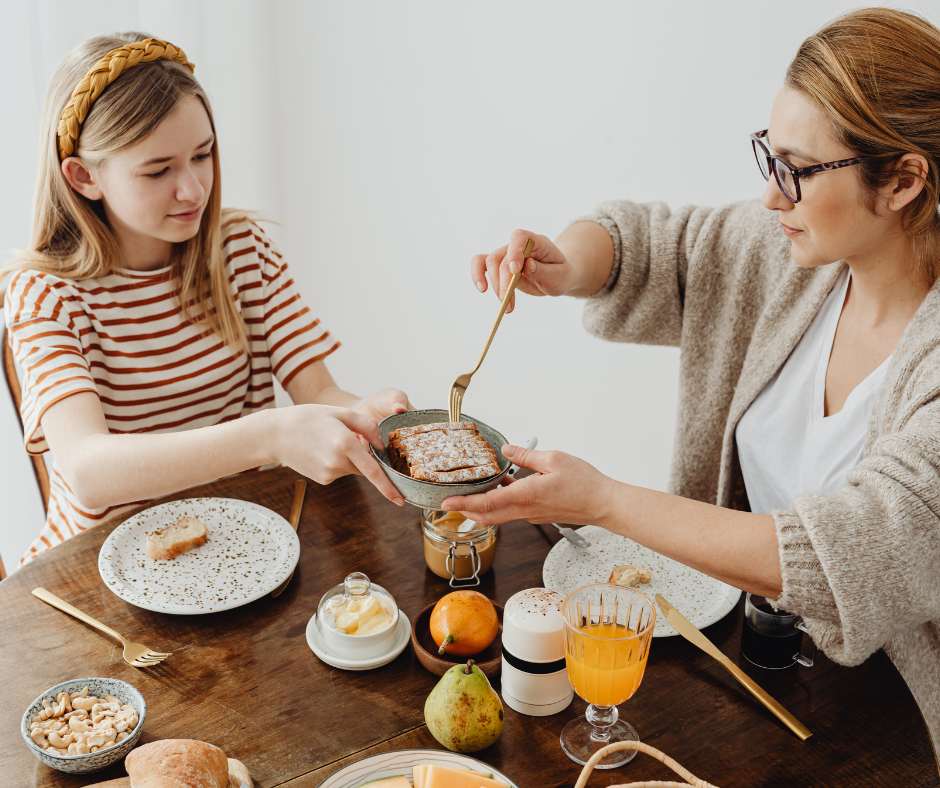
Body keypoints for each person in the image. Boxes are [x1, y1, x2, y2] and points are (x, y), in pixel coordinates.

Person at [444, 8, 940, 763]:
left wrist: (603, 500)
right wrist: (565, 263)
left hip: (887, 722)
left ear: (903, 180)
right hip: (740, 663)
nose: (773, 197)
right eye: (767, 159)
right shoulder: (794, 259)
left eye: (797, 171)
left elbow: (852, 550)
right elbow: (649, 243)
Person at [5, 33, 410, 566]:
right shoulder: (44, 293)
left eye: (203, 155)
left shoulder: (241, 250)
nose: (194, 189)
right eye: (158, 170)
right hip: (97, 569)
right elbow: (88, 470)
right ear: (84, 177)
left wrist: (360, 415)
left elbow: (319, 391)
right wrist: (268, 437)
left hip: (237, 549)